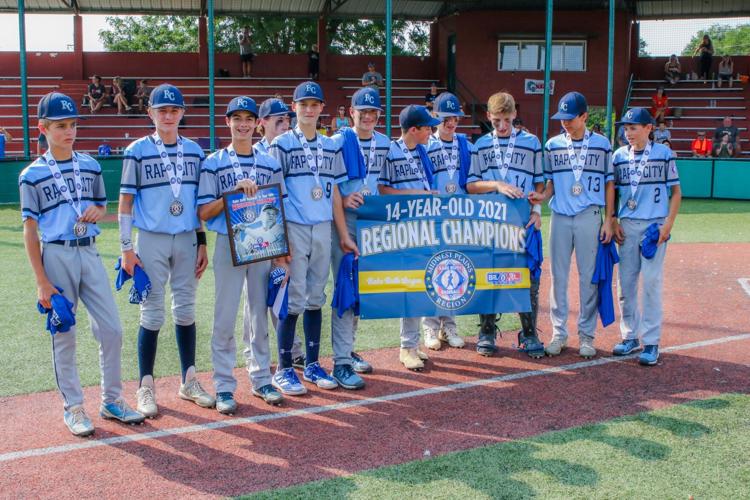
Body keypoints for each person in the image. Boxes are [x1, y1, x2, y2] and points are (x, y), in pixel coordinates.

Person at [19, 92, 145, 436]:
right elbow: (30, 231)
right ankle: (73, 407)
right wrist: (42, 281)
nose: (69, 131)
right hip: (56, 252)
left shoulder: (89, 165)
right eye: (61, 126)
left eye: (73, 124)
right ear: (43, 128)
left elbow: (101, 206)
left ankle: (112, 400)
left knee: (112, 329)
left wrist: (98, 213)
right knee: (65, 333)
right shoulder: (31, 175)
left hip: (88, 251)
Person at [119, 84, 212, 418]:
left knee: (186, 310)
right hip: (152, 238)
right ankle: (146, 386)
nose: (169, 116)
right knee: (152, 312)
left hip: (186, 235)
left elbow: (199, 203)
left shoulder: (195, 151)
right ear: (151, 114)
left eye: (174, 110)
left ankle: (188, 379)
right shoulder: (137, 150)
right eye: (162, 110)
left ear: (182, 113)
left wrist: (202, 241)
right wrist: (126, 248)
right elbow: (126, 203)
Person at [197, 96, 286, 413]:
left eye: (249, 118)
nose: (243, 124)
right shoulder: (214, 162)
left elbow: (280, 209)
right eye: (237, 118)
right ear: (228, 122)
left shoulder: (270, 163)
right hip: (228, 242)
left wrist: (281, 254)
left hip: (263, 243)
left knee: (259, 312)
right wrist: (230, 194)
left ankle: (261, 377)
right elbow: (204, 213)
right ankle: (223, 385)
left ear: (257, 123)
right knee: (225, 314)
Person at [268, 81, 347, 393]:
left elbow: (336, 192)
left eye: (315, 104)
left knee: (316, 296)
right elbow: (273, 194)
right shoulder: (283, 144)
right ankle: (284, 368)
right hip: (295, 227)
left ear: (322, 108)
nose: (310, 109)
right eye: (304, 104)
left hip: (322, 227)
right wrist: (281, 240)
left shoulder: (331, 145)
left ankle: (312, 363)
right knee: (293, 296)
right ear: (295, 106)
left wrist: (342, 234)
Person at [531, 92, 615, 359]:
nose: (565, 123)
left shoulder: (602, 144)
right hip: (560, 216)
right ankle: (559, 333)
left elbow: (610, 183)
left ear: (584, 117)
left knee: (589, 278)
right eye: (561, 118)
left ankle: (587, 336)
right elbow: (551, 182)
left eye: (570, 118)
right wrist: (542, 197)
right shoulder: (553, 144)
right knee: (558, 278)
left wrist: (609, 219)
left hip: (590, 215)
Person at [466, 92, 544, 358]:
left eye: (507, 120)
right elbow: (471, 186)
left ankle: (529, 332)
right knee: (488, 275)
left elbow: (539, 182)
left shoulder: (531, 142)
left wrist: (537, 210)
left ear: (514, 115)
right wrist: (497, 184)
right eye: (496, 120)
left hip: (522, 221)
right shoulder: (480, 145)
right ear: (488, 116)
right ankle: (487, 331)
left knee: (528, 276)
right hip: (489, 222)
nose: (501, 126)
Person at [329, 87, 391, 386]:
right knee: (344, 287)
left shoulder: (384, 143)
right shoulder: (338, 141)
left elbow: (384, 185)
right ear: (350, 112)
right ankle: (340, 361)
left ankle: (347, 350)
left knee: (361, 292)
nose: (367, 116)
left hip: (371, 223)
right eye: (361, 111)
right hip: (344, 223)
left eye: (373, 112)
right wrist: (342, 200)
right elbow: (327, 187)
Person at [611, 107, 681, 366]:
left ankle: (651, 342)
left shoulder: (663, 154)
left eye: (634, 127)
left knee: (650, 283)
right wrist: (613, 219)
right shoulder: (619, 156)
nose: (628, 132)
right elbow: (613, 192)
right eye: (626, 128)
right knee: (625, 284)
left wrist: (668, 224)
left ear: (649, 128)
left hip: (654, 227)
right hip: (627, 226)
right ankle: (629, 336)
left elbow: (676, 193)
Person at [378, 105, 440, 370]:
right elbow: (382, 189)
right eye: (427, 127)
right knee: (409, 287)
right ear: (413, 129)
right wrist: (418, 195)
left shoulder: (422, 151)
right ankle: (406, 346)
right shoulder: (391, 152)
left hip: (423, 225)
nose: (431, 131)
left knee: (422, 285)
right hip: (403, 228)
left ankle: (413, 343)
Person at [421, 92, 475, 352]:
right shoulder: (426, 145)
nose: (451, 122)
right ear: (435, 116)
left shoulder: (465, 144)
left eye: (455, 117)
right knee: (432, 269)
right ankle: (430, 325)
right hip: (433, 215)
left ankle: (449, 325)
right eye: (446, 117)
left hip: (458, 215)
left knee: (455, 268)